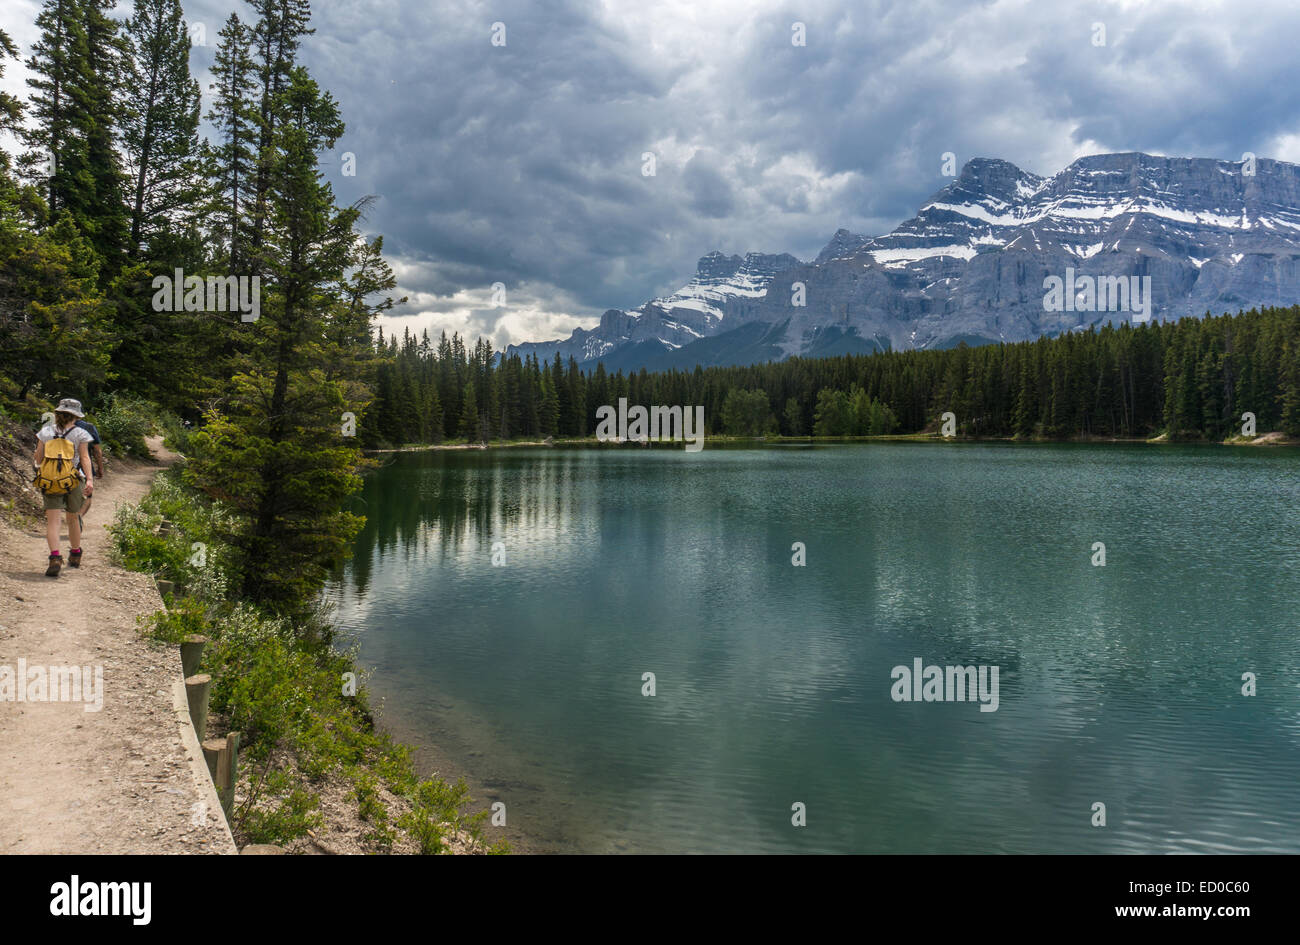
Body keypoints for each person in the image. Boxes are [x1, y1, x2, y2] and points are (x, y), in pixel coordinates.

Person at [33, 398, 95, 577]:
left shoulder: (45, 432)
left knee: (53, 520)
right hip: (74, 480)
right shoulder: (81, 433)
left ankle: (54, 557)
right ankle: (75, 553)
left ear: (58, 413)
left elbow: (38, 458)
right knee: (73, 517)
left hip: (50, 480)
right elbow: (84, 458)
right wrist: (89, 480)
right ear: (76, 416)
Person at [74, 414, 105, 522]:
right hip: (83, 465)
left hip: (59, 466)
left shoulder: (57, 427)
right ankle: (78, 516)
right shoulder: (88, 428)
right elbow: (97, 450)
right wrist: (100, 468)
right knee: (87, 496)